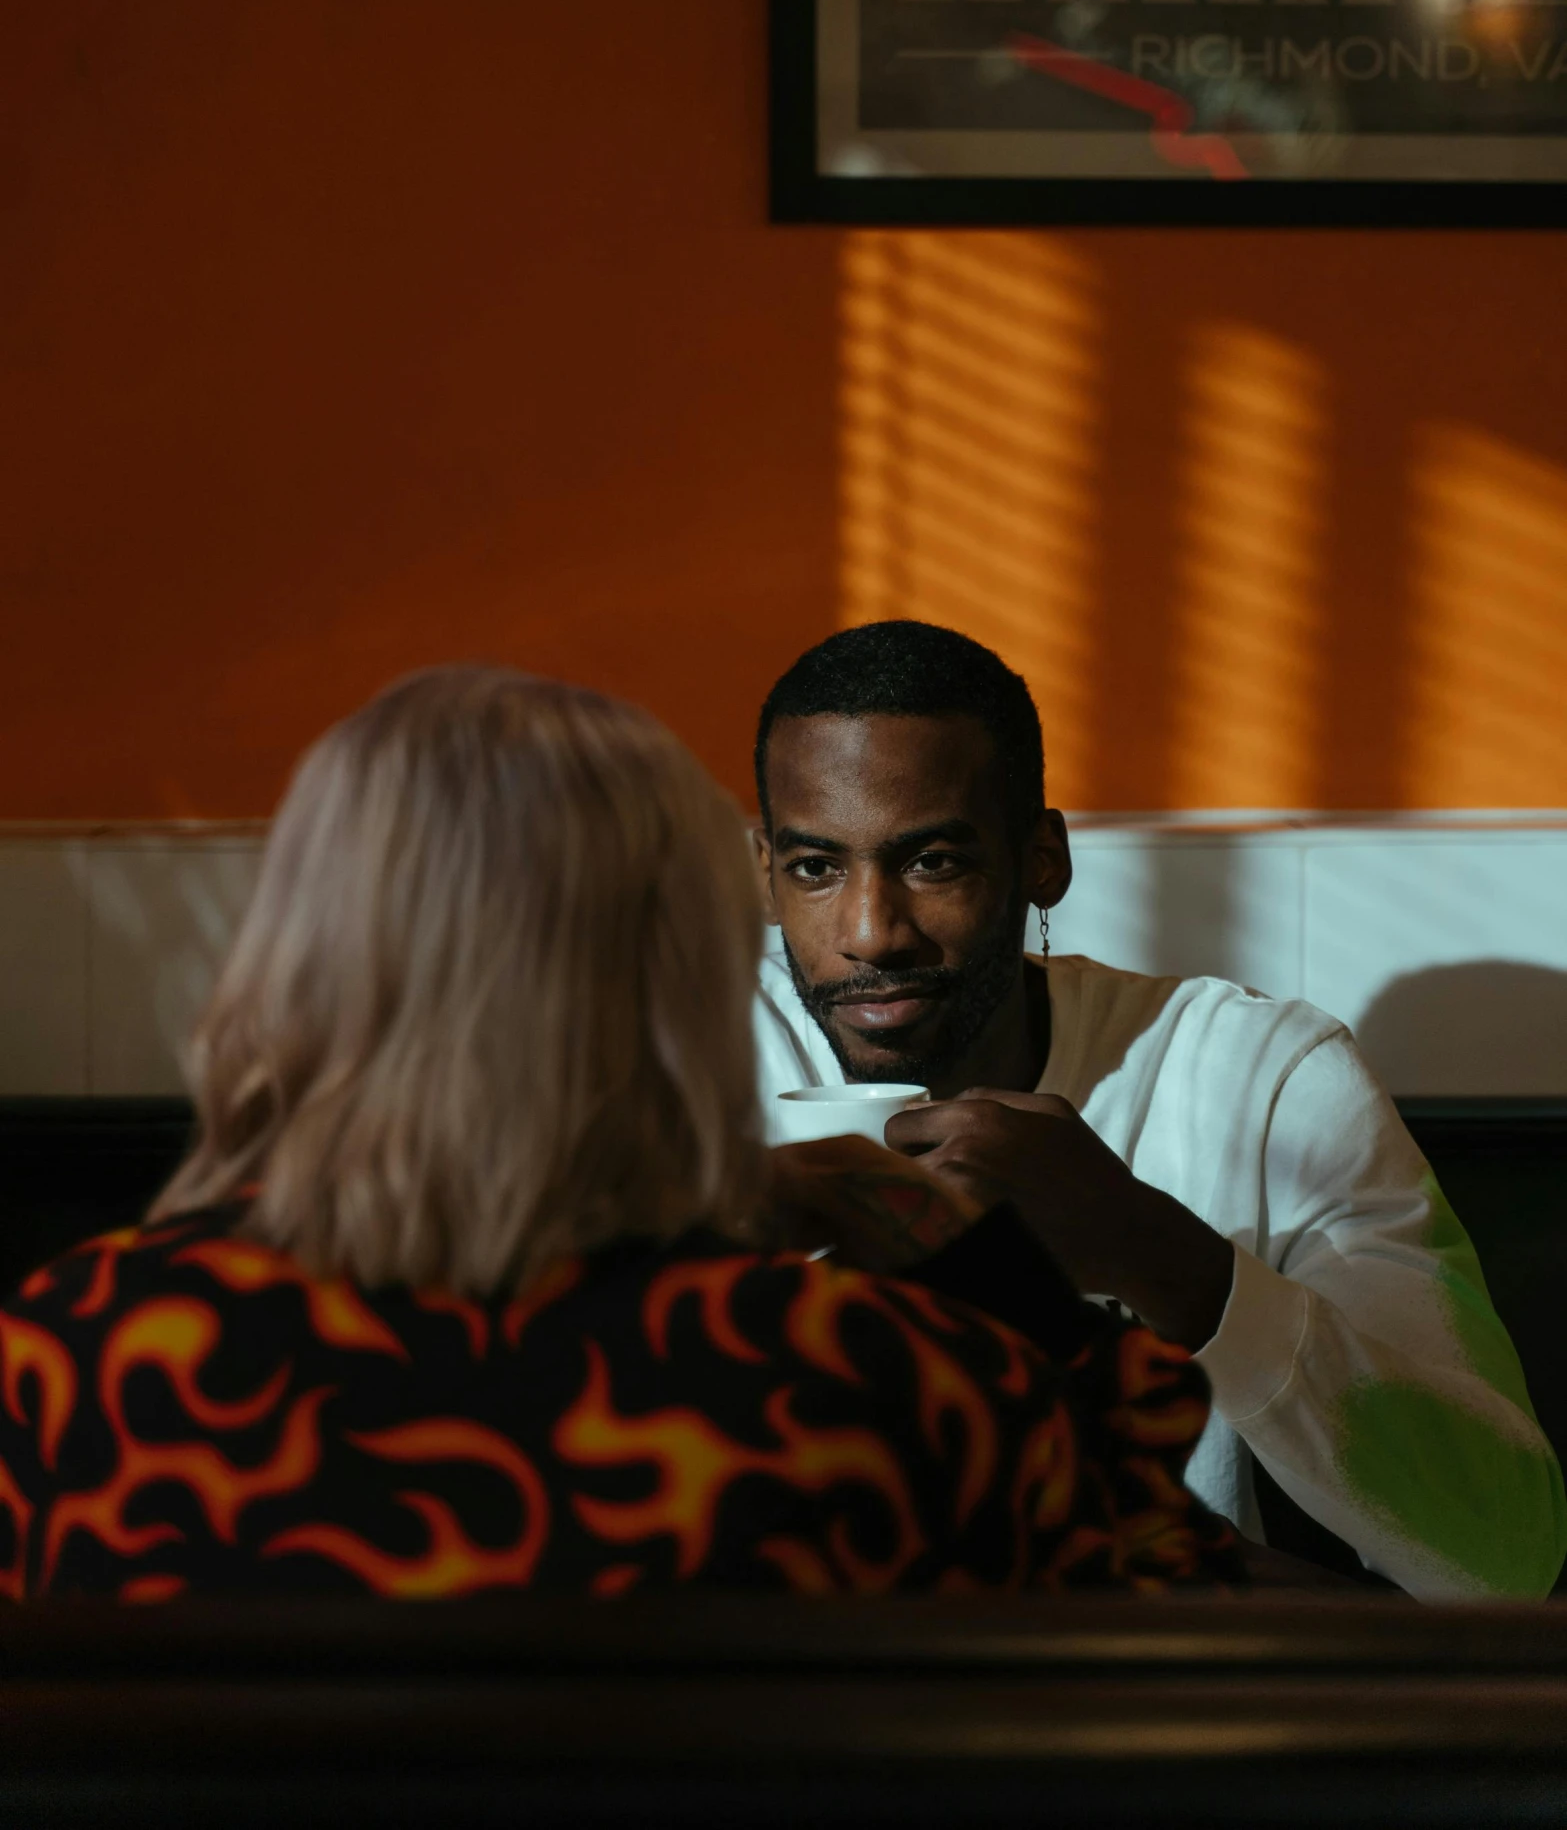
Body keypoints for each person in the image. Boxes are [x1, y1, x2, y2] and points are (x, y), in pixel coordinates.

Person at [0, 665, 1237, 1599]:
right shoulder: (865, 1378)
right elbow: (1163, 1600)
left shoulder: (83, 1349)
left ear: (291, 961)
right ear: (685, 986)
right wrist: (975, 1264)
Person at [751, 620, 1567, 1603]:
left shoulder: (1260, 1076)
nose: (869, 930)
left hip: (1145, 1714)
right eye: (814, 867)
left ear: (1041, 857)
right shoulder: (673, 1059)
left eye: (932, 862)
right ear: (765, 866)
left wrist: (1160, 1254)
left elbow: (1506, 1558)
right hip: (785, 1717)